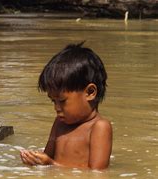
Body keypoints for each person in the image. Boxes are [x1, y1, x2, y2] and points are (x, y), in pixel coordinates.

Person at [20, 42, 113, 170]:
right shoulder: (59, 123)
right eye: (53, 101)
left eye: (62, 101)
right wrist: (35, 160)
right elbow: (47, 156)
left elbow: (97, 174)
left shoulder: (99, 128)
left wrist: (51, 164)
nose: (56, 108)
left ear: (90, 92)